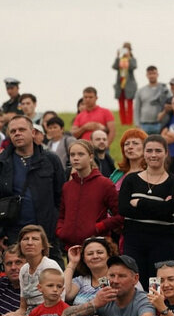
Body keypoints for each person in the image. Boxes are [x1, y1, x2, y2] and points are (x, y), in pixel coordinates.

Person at [118, 135, 174, 283]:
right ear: (144, 153)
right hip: (134, 241)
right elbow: (124, 209)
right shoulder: (131, 180)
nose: (153, 155)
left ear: (166, 153)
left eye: (158, 151)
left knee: (158, 285)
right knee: (135, 284)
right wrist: (160, 206)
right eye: (149, 150)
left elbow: (170, 212)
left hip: (163, 242)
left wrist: (140, 203)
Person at [0, 116, 64, 252]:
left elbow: (61, 197)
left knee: (53, 272)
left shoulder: (50, 160)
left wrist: (57, 226)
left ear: (33, 132)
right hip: (14, 236)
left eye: (22, 129)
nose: (17, 133)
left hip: (46, 235)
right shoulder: (2, 163)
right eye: (13, 131)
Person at [56, 140, 122, 249]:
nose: (76, 158)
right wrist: (61, 231)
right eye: (72, 155)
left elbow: (119, 215)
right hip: (72, 247)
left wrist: (98, 227)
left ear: (91, 157)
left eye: (81, 154)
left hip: (96, 247)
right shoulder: (67, 186)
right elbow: (62, 215)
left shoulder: (104, 184)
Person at [63, 237, 117, 305]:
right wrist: (72, 263)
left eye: (100, 252)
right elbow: (64, 294)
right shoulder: (81, 281)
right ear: (84, 259)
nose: (95, 256)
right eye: (90, 254)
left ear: (109, 255)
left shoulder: (117, 279)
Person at [0, 245, 25, 316]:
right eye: (9, 264)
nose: (13, 267)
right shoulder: (2, 283)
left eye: (18, 262)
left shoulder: (35, 287)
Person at [112, 42, 137, 125]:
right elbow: (114, 67)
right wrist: (117, 56)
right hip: (120, 84)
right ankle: (123, 122)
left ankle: (129, 122)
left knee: (130, 104)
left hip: (129, 84)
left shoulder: (132, 59)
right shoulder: (120, 60)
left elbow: (133, 67)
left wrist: (129, 57)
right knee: (121, 103)